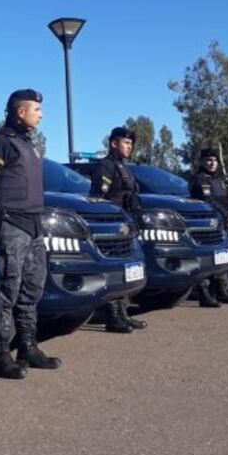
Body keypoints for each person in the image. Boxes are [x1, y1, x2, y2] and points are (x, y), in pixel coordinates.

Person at [0, 89, 61, 379]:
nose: (41, 115)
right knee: (8, 291)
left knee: (32, 289)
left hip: (34, 226)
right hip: (11, 226)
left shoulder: (28, 144)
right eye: (36, 109)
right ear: (20, 112)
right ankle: (1, 356)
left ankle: (28, 348)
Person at [88, 127, 148, 332]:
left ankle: (123, 313)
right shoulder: (105, 166)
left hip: (127, 224)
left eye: (131, 144)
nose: (130, 147)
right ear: (114, 143)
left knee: (127, 270)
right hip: (113, 227)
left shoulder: (123, 166)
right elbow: (99, 198)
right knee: (115, 270)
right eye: (126, 143)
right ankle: (113, 317)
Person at [188, 148, 228, 306]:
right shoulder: (198, 179)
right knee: (206, 258)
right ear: (202, 162)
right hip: (207, 224)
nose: (212, 163)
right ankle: (204, 293)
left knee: (223, 255)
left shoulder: (220, 179)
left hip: (223, 224)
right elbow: (208, 200)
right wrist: (226, 214)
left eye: (214, 160)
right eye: (208, 160)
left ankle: (221, 290)